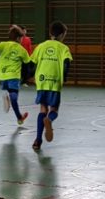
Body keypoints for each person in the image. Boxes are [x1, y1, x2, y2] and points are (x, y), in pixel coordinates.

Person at [31, 21, 73, 153]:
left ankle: (38, 140)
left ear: (50, 33)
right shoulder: (63, 48)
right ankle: (49, 119)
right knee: (54, 109)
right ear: (62, 35)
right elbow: (66, 63)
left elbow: (31, 63)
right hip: (54, 81)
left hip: (42, 81)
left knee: (42, 108)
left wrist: (29, 76)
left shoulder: (41, 46)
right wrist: (64, 77)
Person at [0, 25, 32, 126]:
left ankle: (19, 118)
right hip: (14, 75)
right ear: (18, 38)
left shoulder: (3, 45)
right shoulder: (21, 49)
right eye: (21, 38)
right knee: (14, 96)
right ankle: (9, 97)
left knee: (12, 94)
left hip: (2, 76)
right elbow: (28, 63)